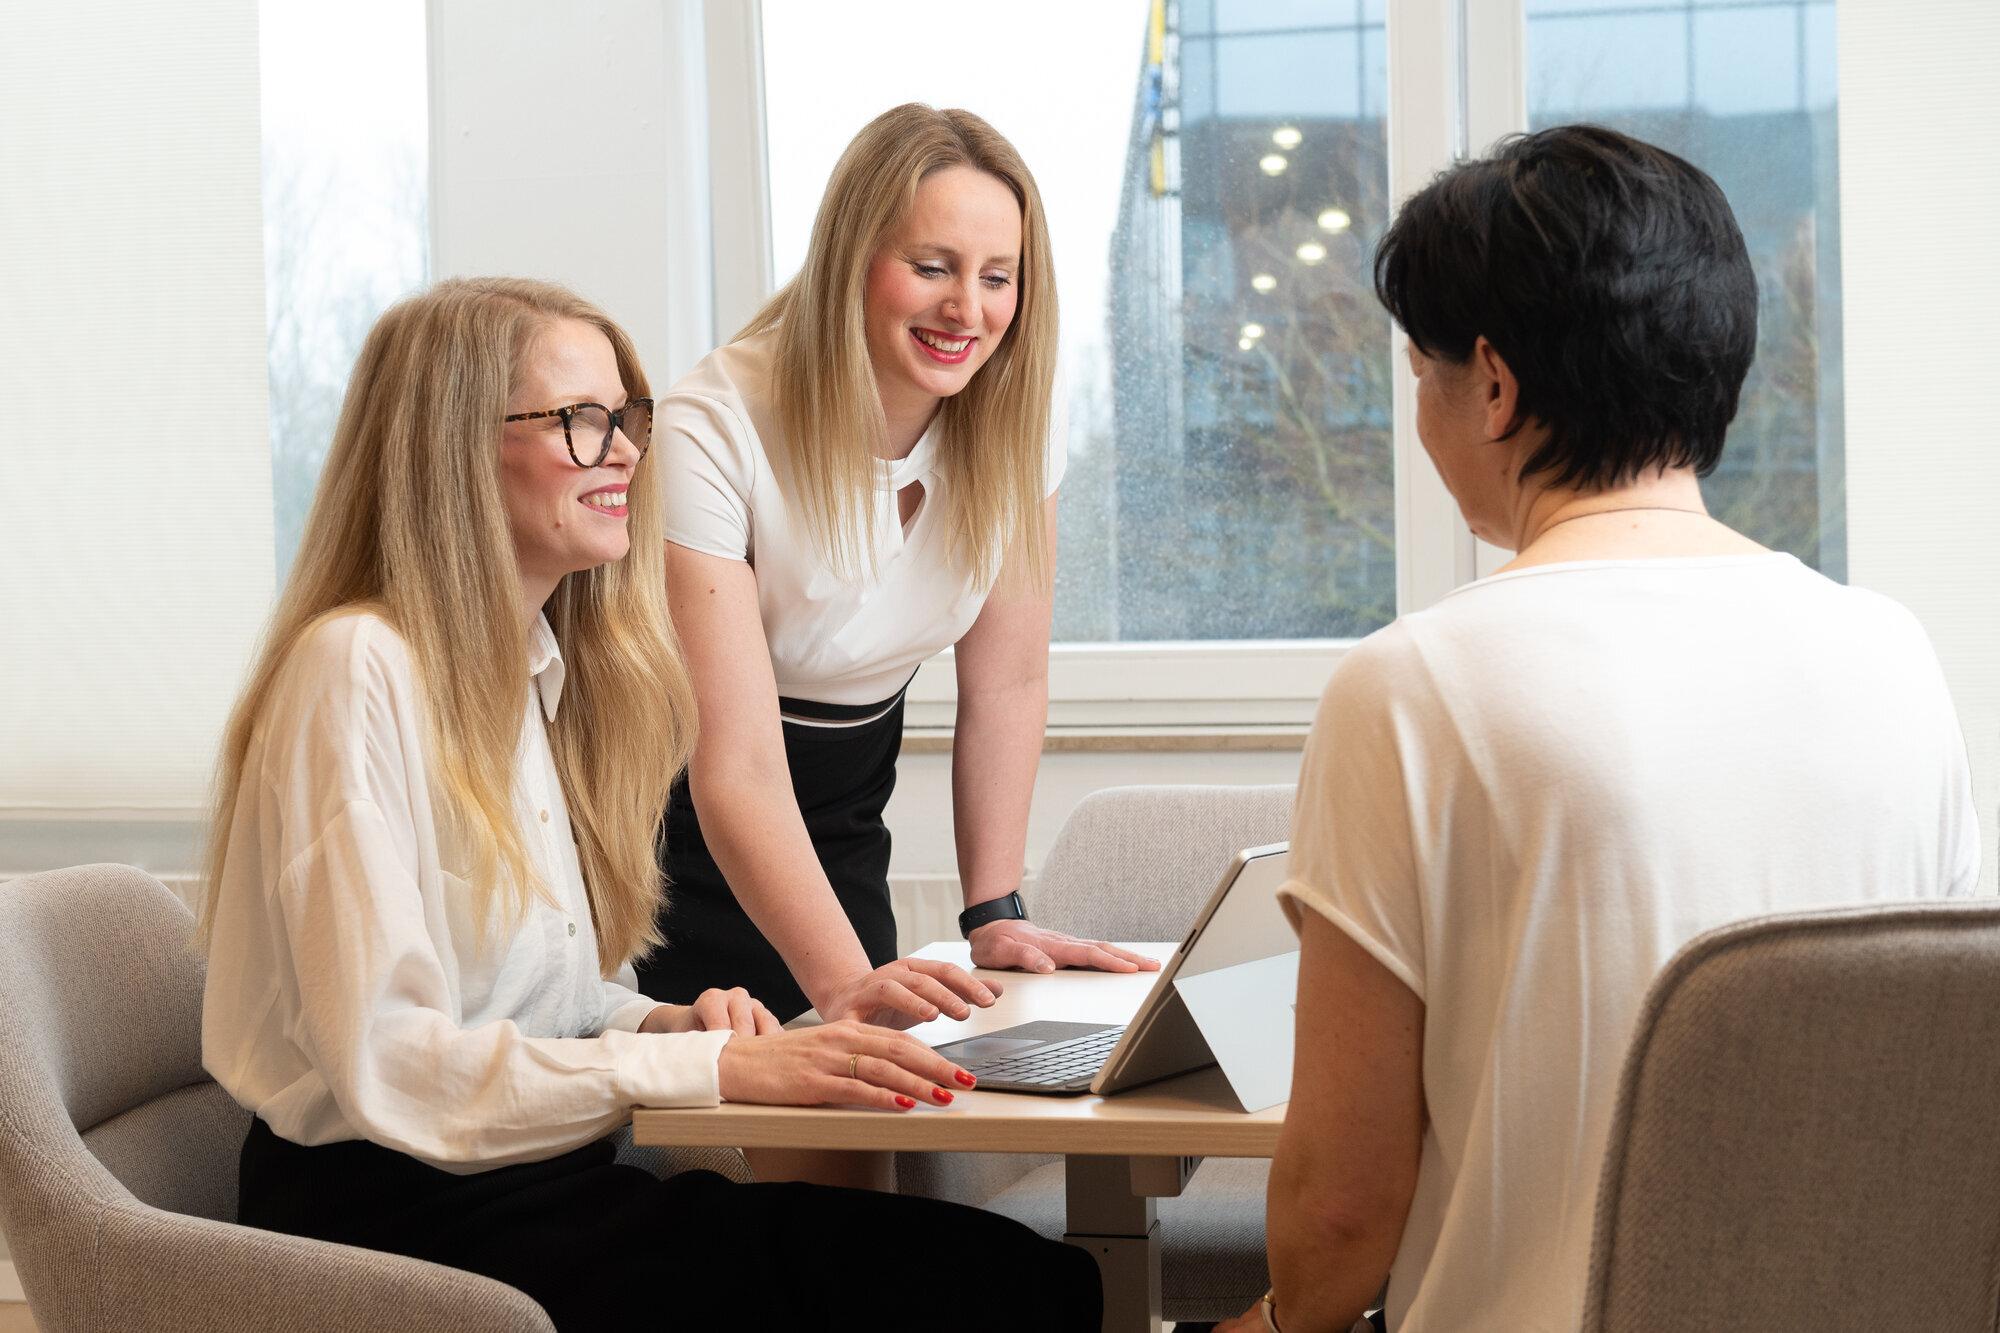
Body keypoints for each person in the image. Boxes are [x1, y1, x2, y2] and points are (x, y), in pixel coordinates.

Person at [198, 276, 1101, 1331]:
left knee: (1007, 1272)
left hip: (540, 1189)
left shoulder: (532, 674)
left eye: (628, 417)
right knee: (987, 1289)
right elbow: (392, 1064)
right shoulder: (355, 667)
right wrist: (713, 1062)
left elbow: (539, 1005)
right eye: (580, 420)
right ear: (453, 446)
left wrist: (666, 1018)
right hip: (400, 1226)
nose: (626, 451)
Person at [1219, 126, 1980, 1333]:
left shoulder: (1412, 685)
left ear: (1493, 386)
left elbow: (1340, 1215)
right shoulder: (1890, 652)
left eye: (1420, 374)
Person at [637, 103, 1157, 1038]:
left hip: (844, 821)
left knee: (874, 1097)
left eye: (997, 276)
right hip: (679, 831)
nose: (968, 310)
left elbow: (1008, 681)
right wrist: (845, 984)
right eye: (931, 267)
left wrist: (994, 911)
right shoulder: (709, 429)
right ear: (852, 259)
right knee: (732, 1091)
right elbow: (737, 766)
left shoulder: (1013, 420)